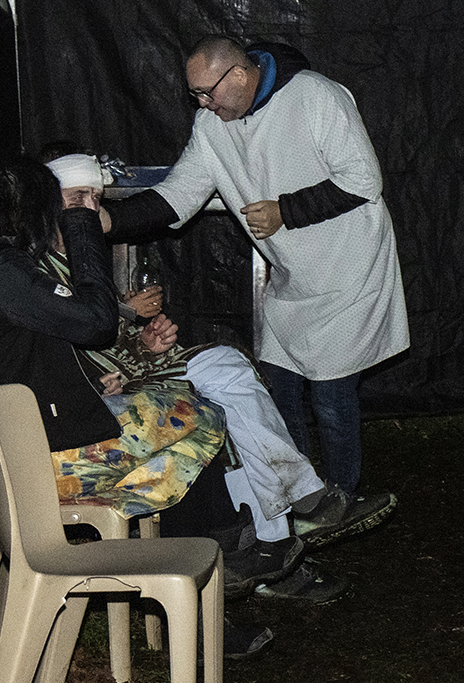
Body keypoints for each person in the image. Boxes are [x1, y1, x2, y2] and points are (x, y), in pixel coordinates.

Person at [0, 154, 275, 656]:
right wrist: (83, 228)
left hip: (20, 454)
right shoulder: (0, 270)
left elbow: (31, 355)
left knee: (179, 434)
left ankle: (204, 562)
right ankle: (215, 553)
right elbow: (95, 323)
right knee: (196, 415)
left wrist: (104, 379)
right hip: (31, 466)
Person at [101, 35, 405, 541]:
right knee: (279, 384)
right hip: (292, 277)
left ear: (239, 75)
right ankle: (301, 495)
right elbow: (178, 195)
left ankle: (341, 497)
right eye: (196, 95)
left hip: (350, 267)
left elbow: (362, 179)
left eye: (207, 92)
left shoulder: (315, 96)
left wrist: (286, 210)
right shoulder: (212, 127)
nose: (203, 104)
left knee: (331, 394)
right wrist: (108, 220)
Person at [44, 152, 355, 605]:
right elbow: (64, 353)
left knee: (231, 389)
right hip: (85, 414)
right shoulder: (37, 272)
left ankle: (273, 540)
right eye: (78, 198)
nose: (90, 209)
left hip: (121, 382)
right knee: (224, 390)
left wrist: (143, 342)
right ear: (48, 203)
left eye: (96, 197)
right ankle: (281, 528)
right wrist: (126, 344)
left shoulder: (77, 259)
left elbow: (99, 342)